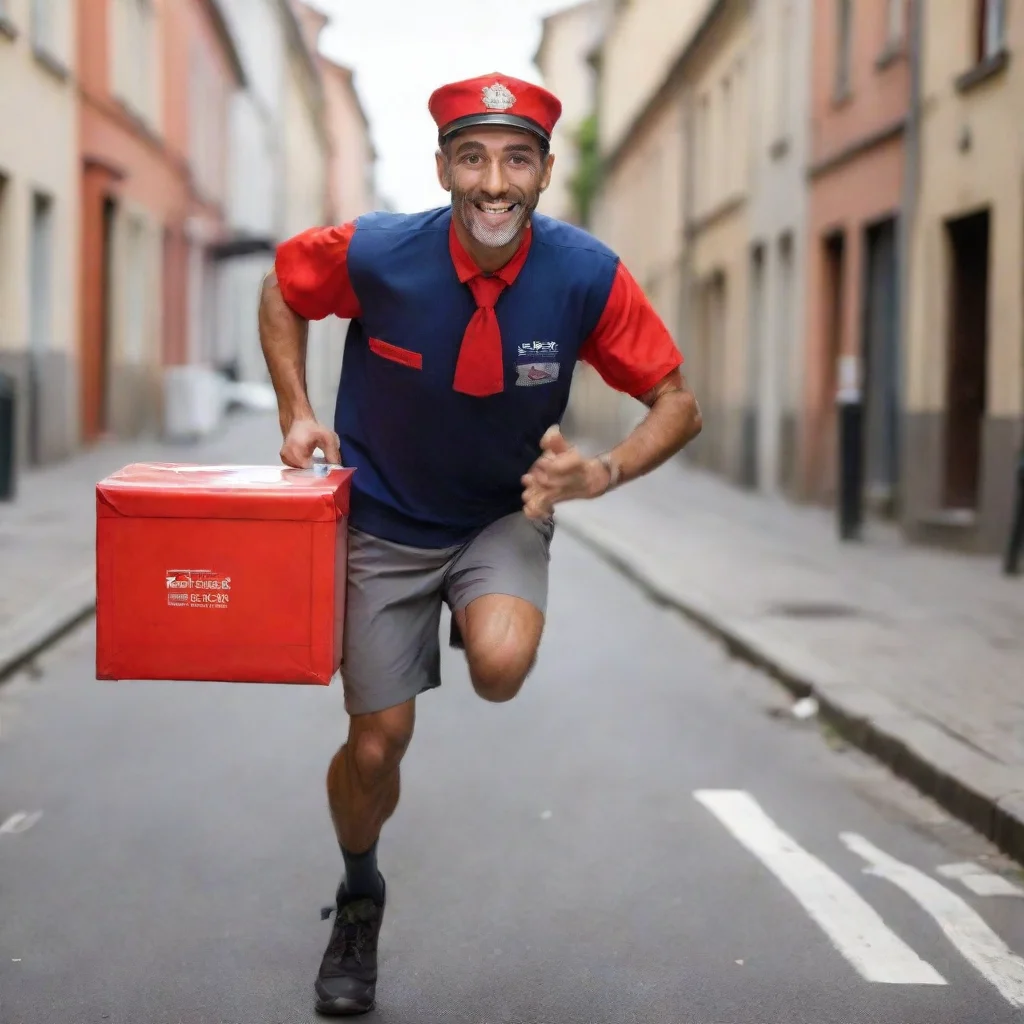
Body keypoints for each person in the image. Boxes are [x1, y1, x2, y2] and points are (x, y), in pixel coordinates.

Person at [258, 71, 703, 1016]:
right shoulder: (378, 252)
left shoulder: (585, 274)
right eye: (472, 158)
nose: (493, 182)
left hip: (501, 512)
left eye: (515, 159)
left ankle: (478, 608)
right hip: (382, 519)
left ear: (543, 174)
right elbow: (282, 288)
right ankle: (359, 893)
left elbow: (676, 401)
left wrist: (602, 472)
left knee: (500, 668)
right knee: (378, 750)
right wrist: (297, 412)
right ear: (443, 170)